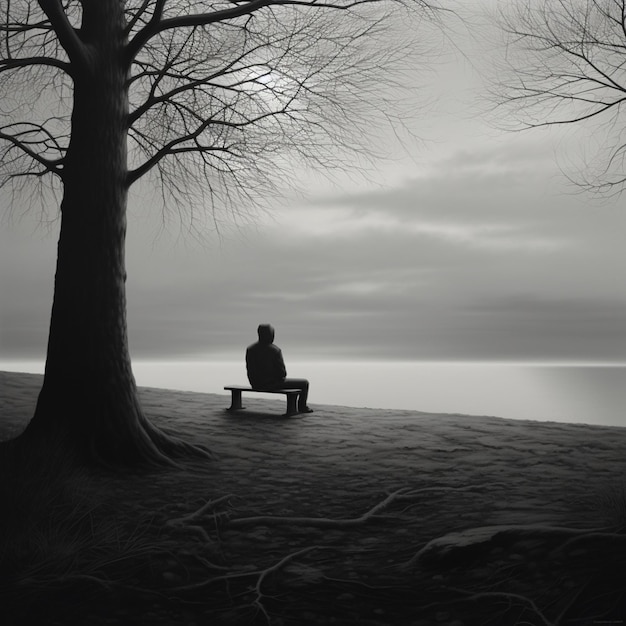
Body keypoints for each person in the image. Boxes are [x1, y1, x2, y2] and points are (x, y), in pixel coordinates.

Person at [246, 323, 313, 413]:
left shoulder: (250, 349)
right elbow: (282, 373)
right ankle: (302, 407)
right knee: (304, 383)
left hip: (255, 384)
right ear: (270, 335)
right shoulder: (275, 350)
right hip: (271, 384)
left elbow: (250, 369)